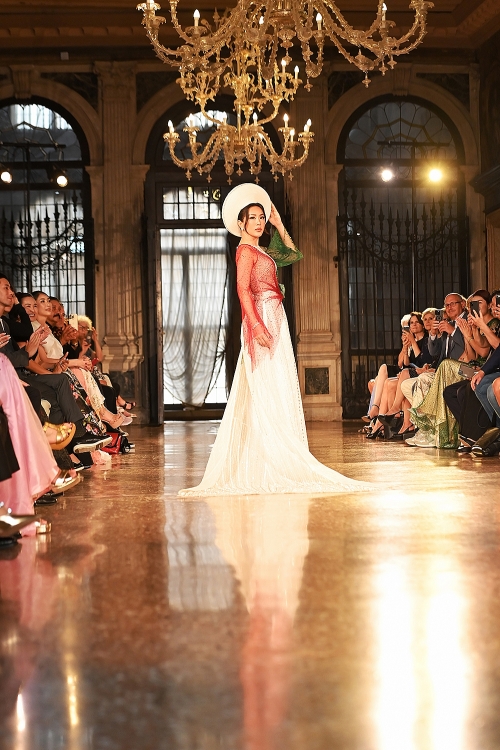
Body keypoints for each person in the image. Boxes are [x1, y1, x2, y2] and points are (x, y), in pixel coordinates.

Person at [179, 184, 371, 496]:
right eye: (252, 218)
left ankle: (277, 453)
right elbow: (242, 289)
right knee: (265, 383)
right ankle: (264, 457)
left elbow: (293, 255)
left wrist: (279, 224)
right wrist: (256, 326)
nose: (258, 222)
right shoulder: (245, 251)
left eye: (261, 217)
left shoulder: (263, 251)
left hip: (274, 315)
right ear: (241, 223)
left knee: (276, 382)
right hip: (262, 317)